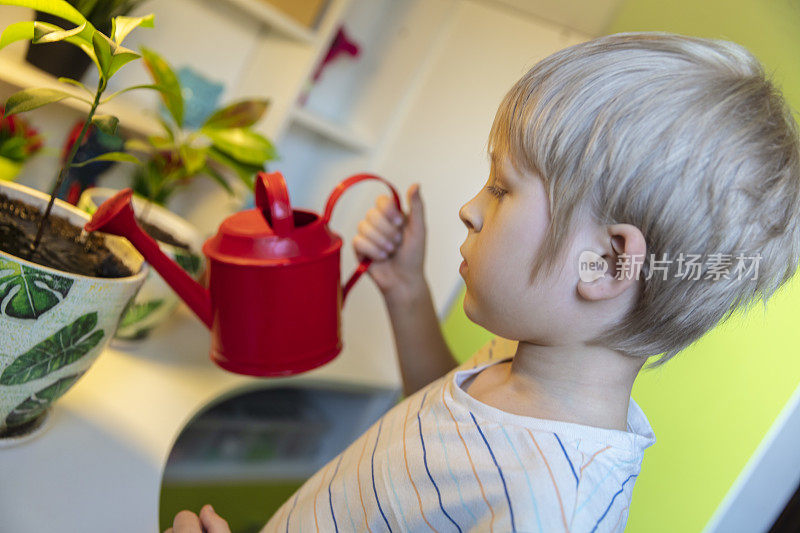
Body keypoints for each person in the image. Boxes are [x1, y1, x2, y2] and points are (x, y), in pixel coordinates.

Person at [165, 31, 800, 532]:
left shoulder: (554, 506)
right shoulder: (526, 361)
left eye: (501, 188)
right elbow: (443, 425)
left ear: (605, 263)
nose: (470, 207)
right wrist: (407, 290)